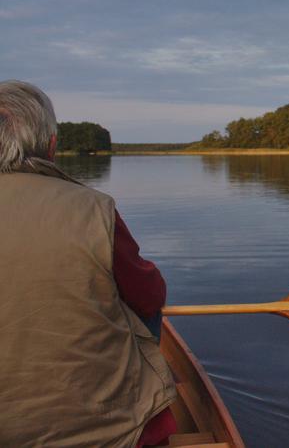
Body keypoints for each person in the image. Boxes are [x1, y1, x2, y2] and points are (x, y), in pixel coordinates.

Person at [0, 81, 177, 447]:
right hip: (110, 432)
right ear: (51, 145)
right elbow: (150, 296)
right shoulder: (94, 208)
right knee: (143, 309)